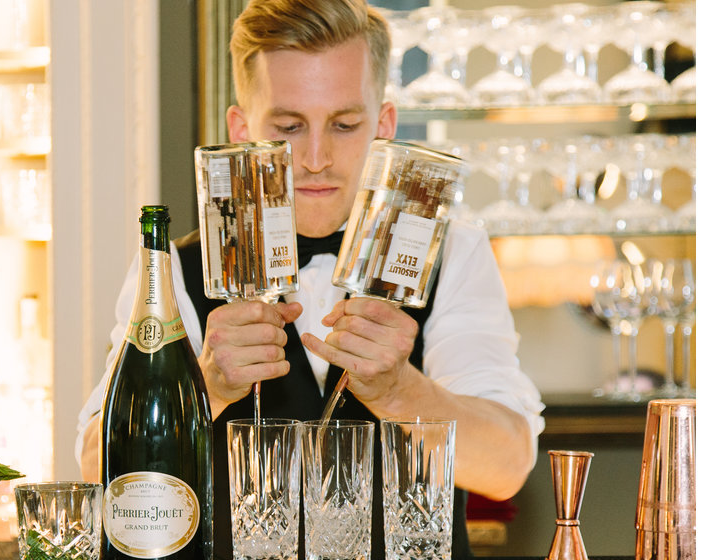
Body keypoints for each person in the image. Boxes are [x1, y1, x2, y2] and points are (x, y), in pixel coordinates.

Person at [76, 1, 545, 558]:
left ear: (384, 126)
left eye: (345, 125)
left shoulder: (456, 252)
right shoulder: (175, 268)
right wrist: (205, 387)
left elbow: (508, 466)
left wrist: (401, 392)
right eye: (289, 126)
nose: (317, 157)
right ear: (242, 129)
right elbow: (94, 468)